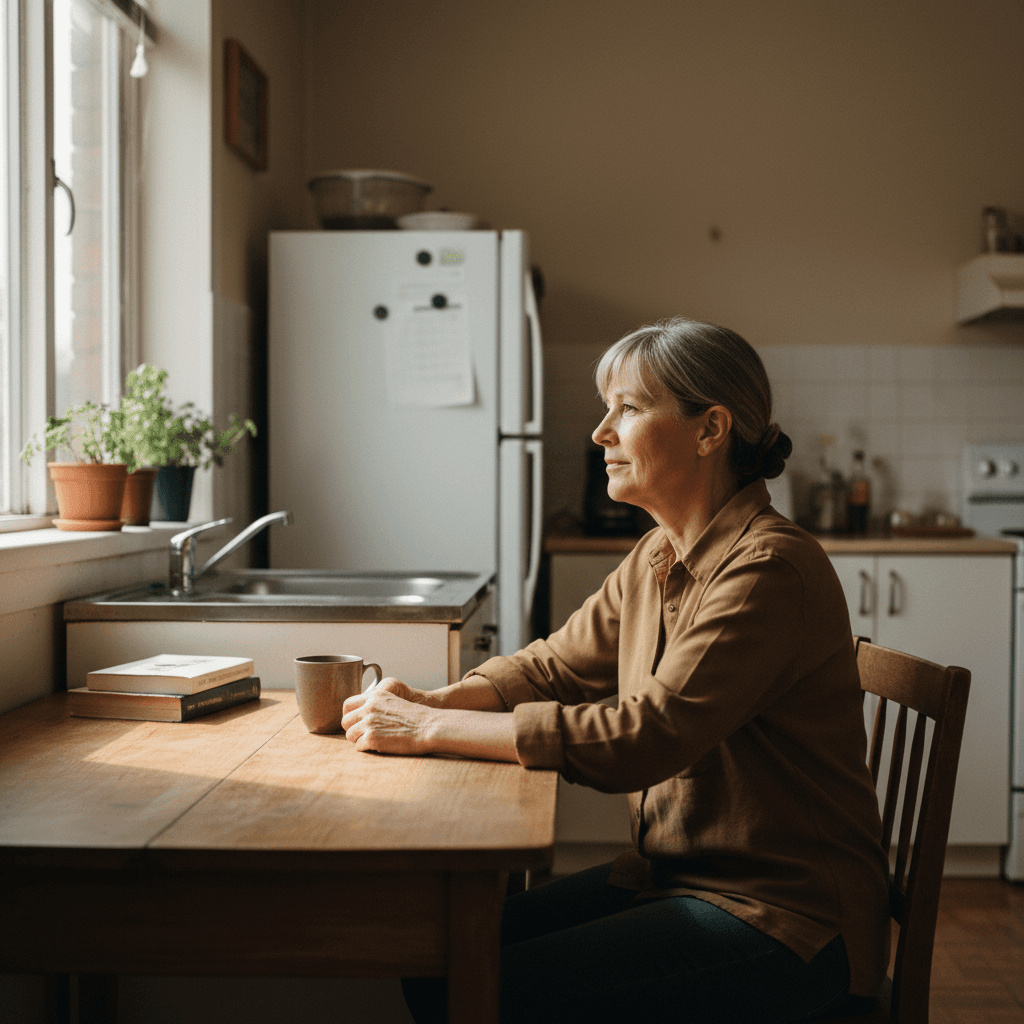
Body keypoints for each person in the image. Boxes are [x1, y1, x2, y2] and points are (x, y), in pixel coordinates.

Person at [341, 317, 890, 1024]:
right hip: (679, 877)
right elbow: (554, 665)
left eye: (627, 409)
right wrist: (440, 699)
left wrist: (430, 729)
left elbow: (648, 735)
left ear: (709, 429)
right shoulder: (660, 554)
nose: (601, 433)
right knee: (436, 955)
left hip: (784, 918)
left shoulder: (768, 569)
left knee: (473, 983)